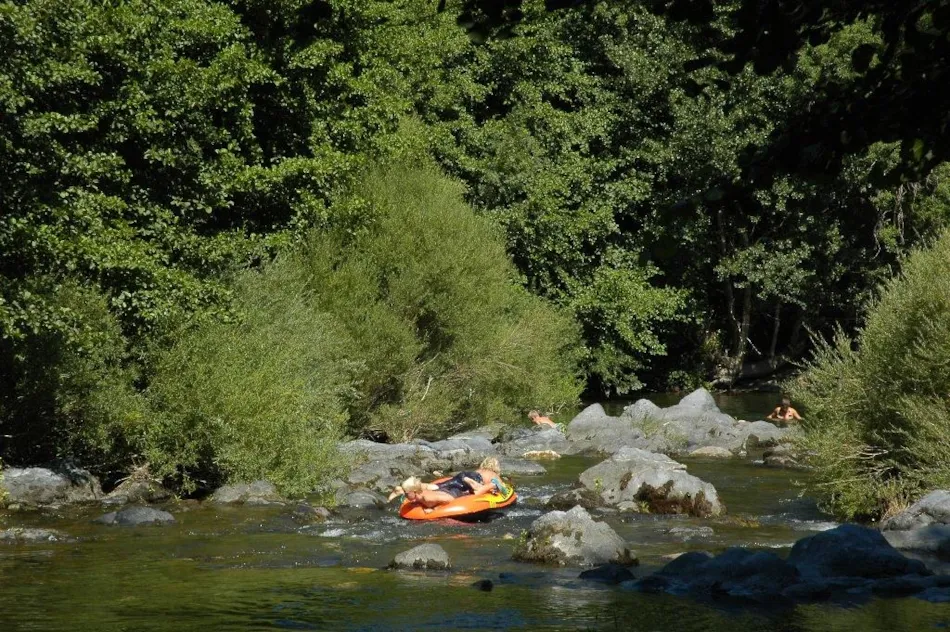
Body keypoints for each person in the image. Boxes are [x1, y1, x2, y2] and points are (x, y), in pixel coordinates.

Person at [388, 457, 506, 513]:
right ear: (496, 468)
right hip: (473, 480)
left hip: (462, 476)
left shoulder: (479, 470)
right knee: (481, 489)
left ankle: (408, 488)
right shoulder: (493, 474)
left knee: (438, 486)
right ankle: (482, 487)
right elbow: (504, 490)